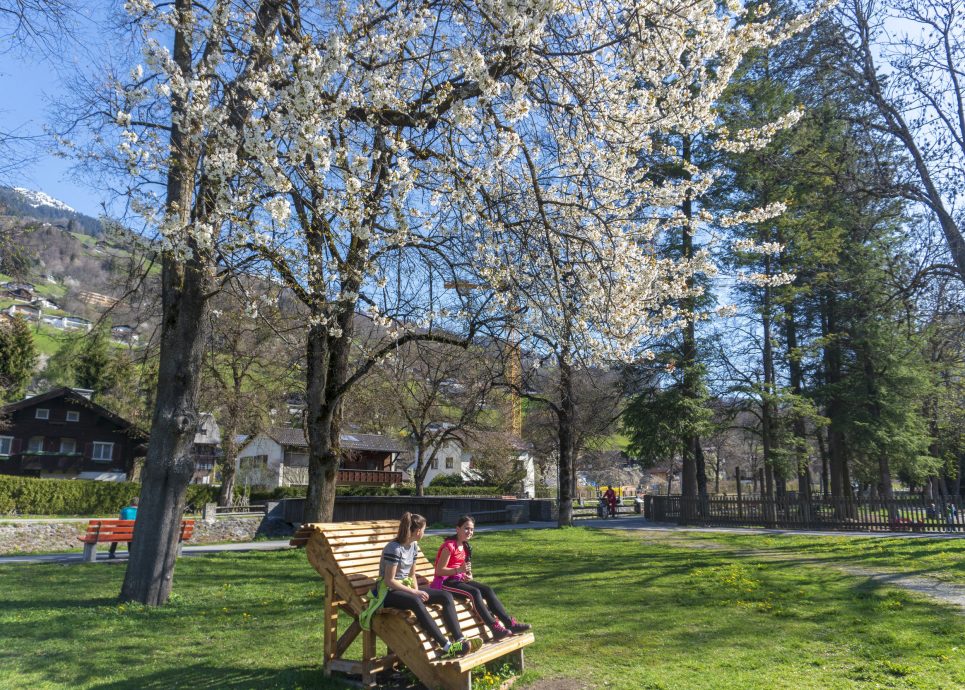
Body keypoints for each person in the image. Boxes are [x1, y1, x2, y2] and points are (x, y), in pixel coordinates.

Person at [368, 512, 482, 659]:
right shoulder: (394, 548)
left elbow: (411, 575)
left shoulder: (414, 546)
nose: (424, 532)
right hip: (388, 592)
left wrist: (416, 590)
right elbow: (390, 581)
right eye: (425, 529)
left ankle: (459, 639)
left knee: (445, 596)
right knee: (416, 601)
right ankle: (446, 646)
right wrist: (415, 593)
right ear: (417, 531)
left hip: (406, 588)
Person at [431, 515, 531, 641]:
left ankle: (510, 624)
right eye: (466, 528)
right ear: (457, 529)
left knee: (487, 589)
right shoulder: (449, 546)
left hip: (458, 579)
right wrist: (458, 570)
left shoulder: (465, 547)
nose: (469, 532)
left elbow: (464, 568)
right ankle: (495, 628)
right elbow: (439, 571)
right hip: (444, 582)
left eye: (472, 529)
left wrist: (468, 574)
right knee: (474, 592)